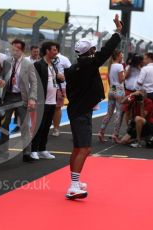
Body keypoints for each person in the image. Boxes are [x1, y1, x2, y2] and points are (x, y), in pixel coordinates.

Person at [64, 14, 122, 199]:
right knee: (83, 149)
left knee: (79, 148)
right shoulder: (89, 65)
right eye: (93, 49)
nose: (96, 51)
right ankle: (73, 186)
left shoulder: (75, 68)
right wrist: (118, 32)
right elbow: (106, 51)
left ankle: (75, 182)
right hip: (81, 113)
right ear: (90, 51)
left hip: (78, 111)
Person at [0, 39, 38, 162]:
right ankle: (3, 152)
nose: (14, 51)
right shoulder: (7, 62)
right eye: (12, 49)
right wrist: (2, 81)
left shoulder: (28, 64)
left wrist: (32, 98)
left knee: (25, 126)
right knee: (4, 125)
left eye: (17, 49)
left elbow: (34, 82)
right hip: (8, 97)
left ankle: (27, 153)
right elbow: (3, 76)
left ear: (22, 50)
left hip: (21, 97)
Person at [31, 41, 64, 160]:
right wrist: (33, 99)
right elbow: (33, 83)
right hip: (41, 101)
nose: (56, 52)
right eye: (54, 50)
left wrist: (60, 78)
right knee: (38, 127)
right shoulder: (38, 65)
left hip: (52, 101)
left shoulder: (53, 65)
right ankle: (33, 150)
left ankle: (42, 149)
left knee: (46, 127)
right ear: (47, 51)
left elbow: (54, 81)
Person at [98, 49, 125, 143]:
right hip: (119, 90)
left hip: (112, 89)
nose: (122, 56)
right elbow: (121, 80)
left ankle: (101, 132)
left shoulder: (111, 66)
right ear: (117, 56)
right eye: (121, 55)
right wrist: (126, 75)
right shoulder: (120, 66)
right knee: (118, 113)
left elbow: (109, 81)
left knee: (109, 113)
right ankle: (115, 134)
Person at [52, 44, 72, 137]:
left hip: (60, 87)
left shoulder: (64, 59)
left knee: (57, 107)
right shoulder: (45, 59)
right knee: (47, 108)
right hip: (47, 87)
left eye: (54, 49)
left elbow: (70, 72)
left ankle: (56, 128)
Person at [123, 54, 143, 124]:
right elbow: (125, 77)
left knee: (137, 109)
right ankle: (128, 127)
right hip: (129, 92)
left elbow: (143, 75)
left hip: (138, 92)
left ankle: (134, 125)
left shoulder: (142, 68)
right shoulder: (128, 67)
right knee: (127, 109)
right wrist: (131, 66)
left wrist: (139, 67)